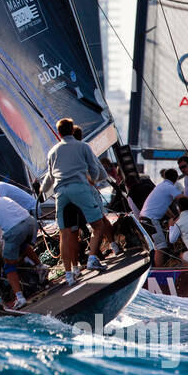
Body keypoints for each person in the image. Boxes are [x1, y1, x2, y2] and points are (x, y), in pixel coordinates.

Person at [45, 117, 113, 283]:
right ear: (72, 130)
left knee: (65, 234)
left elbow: (49, 178)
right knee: (98, 225)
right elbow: (95, 169)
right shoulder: (83, 146)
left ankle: (69, 275)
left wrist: (41, 193)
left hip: (61, 193)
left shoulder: (52, 151)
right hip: (80, 188)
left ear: (59, 133)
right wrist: (93, 180)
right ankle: (92, 259)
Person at [0, 186, 43, 310]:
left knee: (8, 265)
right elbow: (0, 228)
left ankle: (20, 298)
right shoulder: (5, 199)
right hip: (31, 223)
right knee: (22, 245)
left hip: (15, 230)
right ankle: (40, 267)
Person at [139, 168, 182, 265]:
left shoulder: (160, 186)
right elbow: (184, 199)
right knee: (161, 246)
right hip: (150, 220)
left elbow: (164, 207)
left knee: (158, 246)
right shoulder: (170, 187)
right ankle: (158, 271)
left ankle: (156, 267)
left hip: (144, 218)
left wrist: (174, 216)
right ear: (176, 178)